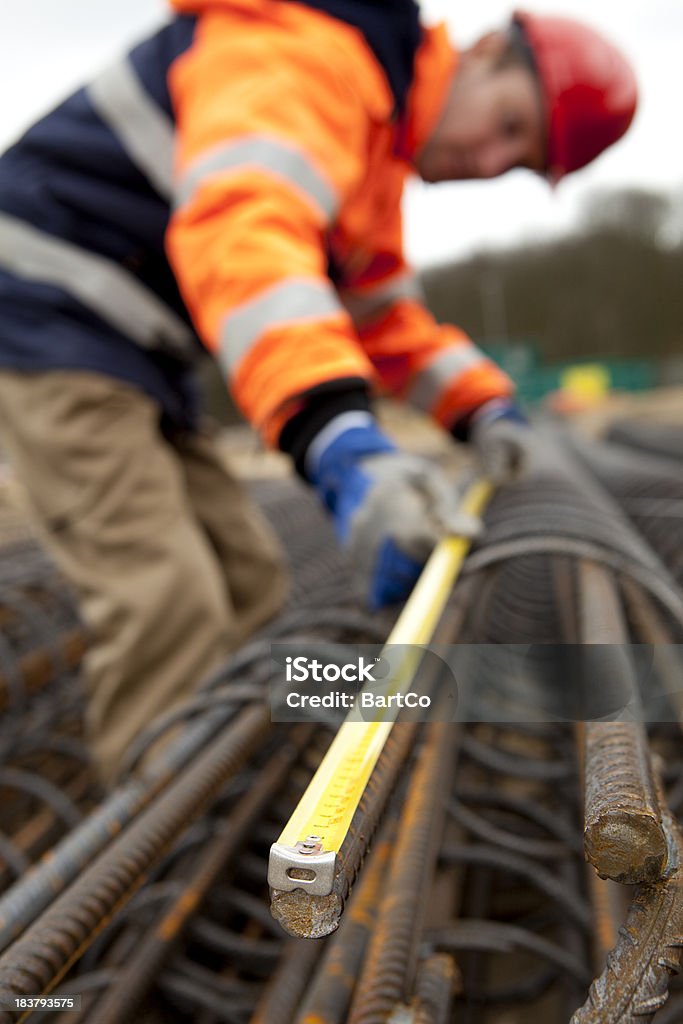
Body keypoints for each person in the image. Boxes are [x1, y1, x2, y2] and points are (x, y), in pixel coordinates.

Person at [0, 0, 637, 784]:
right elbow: (245, 232)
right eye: (506, 125)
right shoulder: (305, 56)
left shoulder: (371, 142)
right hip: (46, 313)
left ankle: (232, 779)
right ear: (480, 54)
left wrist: (480, 408)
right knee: (166, 601)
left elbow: (379, 319)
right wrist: (334, 431)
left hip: (130, 346)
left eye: (514, 162)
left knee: (250, 579)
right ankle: (157, 836)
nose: (485, 158)